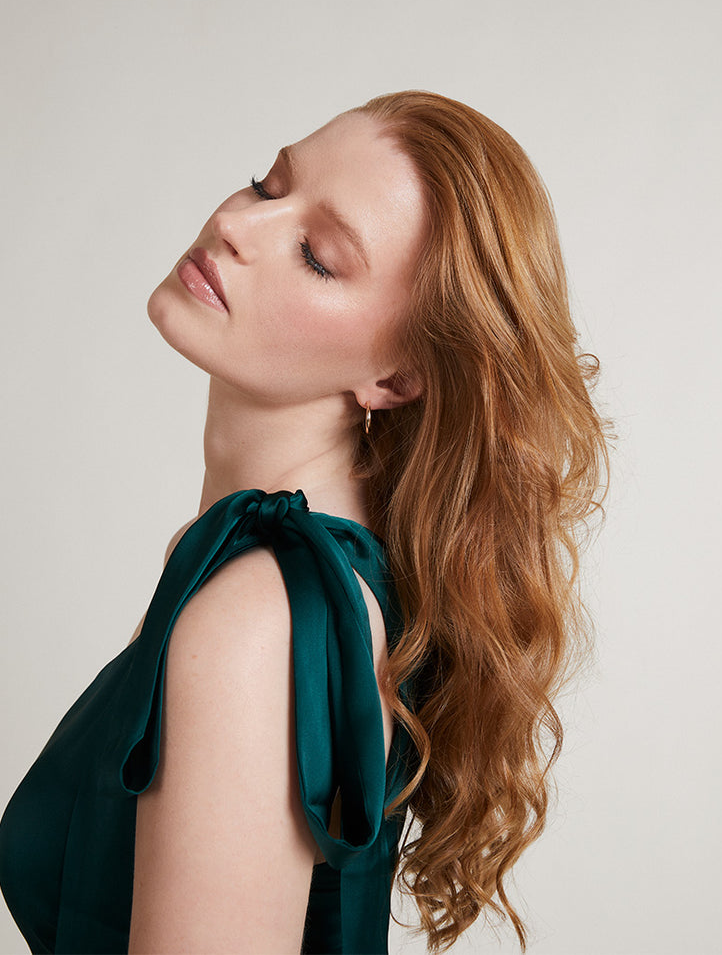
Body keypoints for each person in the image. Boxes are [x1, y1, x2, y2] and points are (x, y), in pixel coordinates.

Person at [0, 89, 610, 954]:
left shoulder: (262, 619)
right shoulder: (257, 568)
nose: (238, 226)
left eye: (317, 255)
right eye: (266, 183)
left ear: (396, 378)